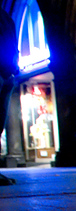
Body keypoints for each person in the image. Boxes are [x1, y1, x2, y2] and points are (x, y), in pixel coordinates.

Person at [0, 8, 18, 185]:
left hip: (7, 73)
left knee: (0, 122)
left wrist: (15, 66)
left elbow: (12, 40)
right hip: (4, 72)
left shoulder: (5, 16)